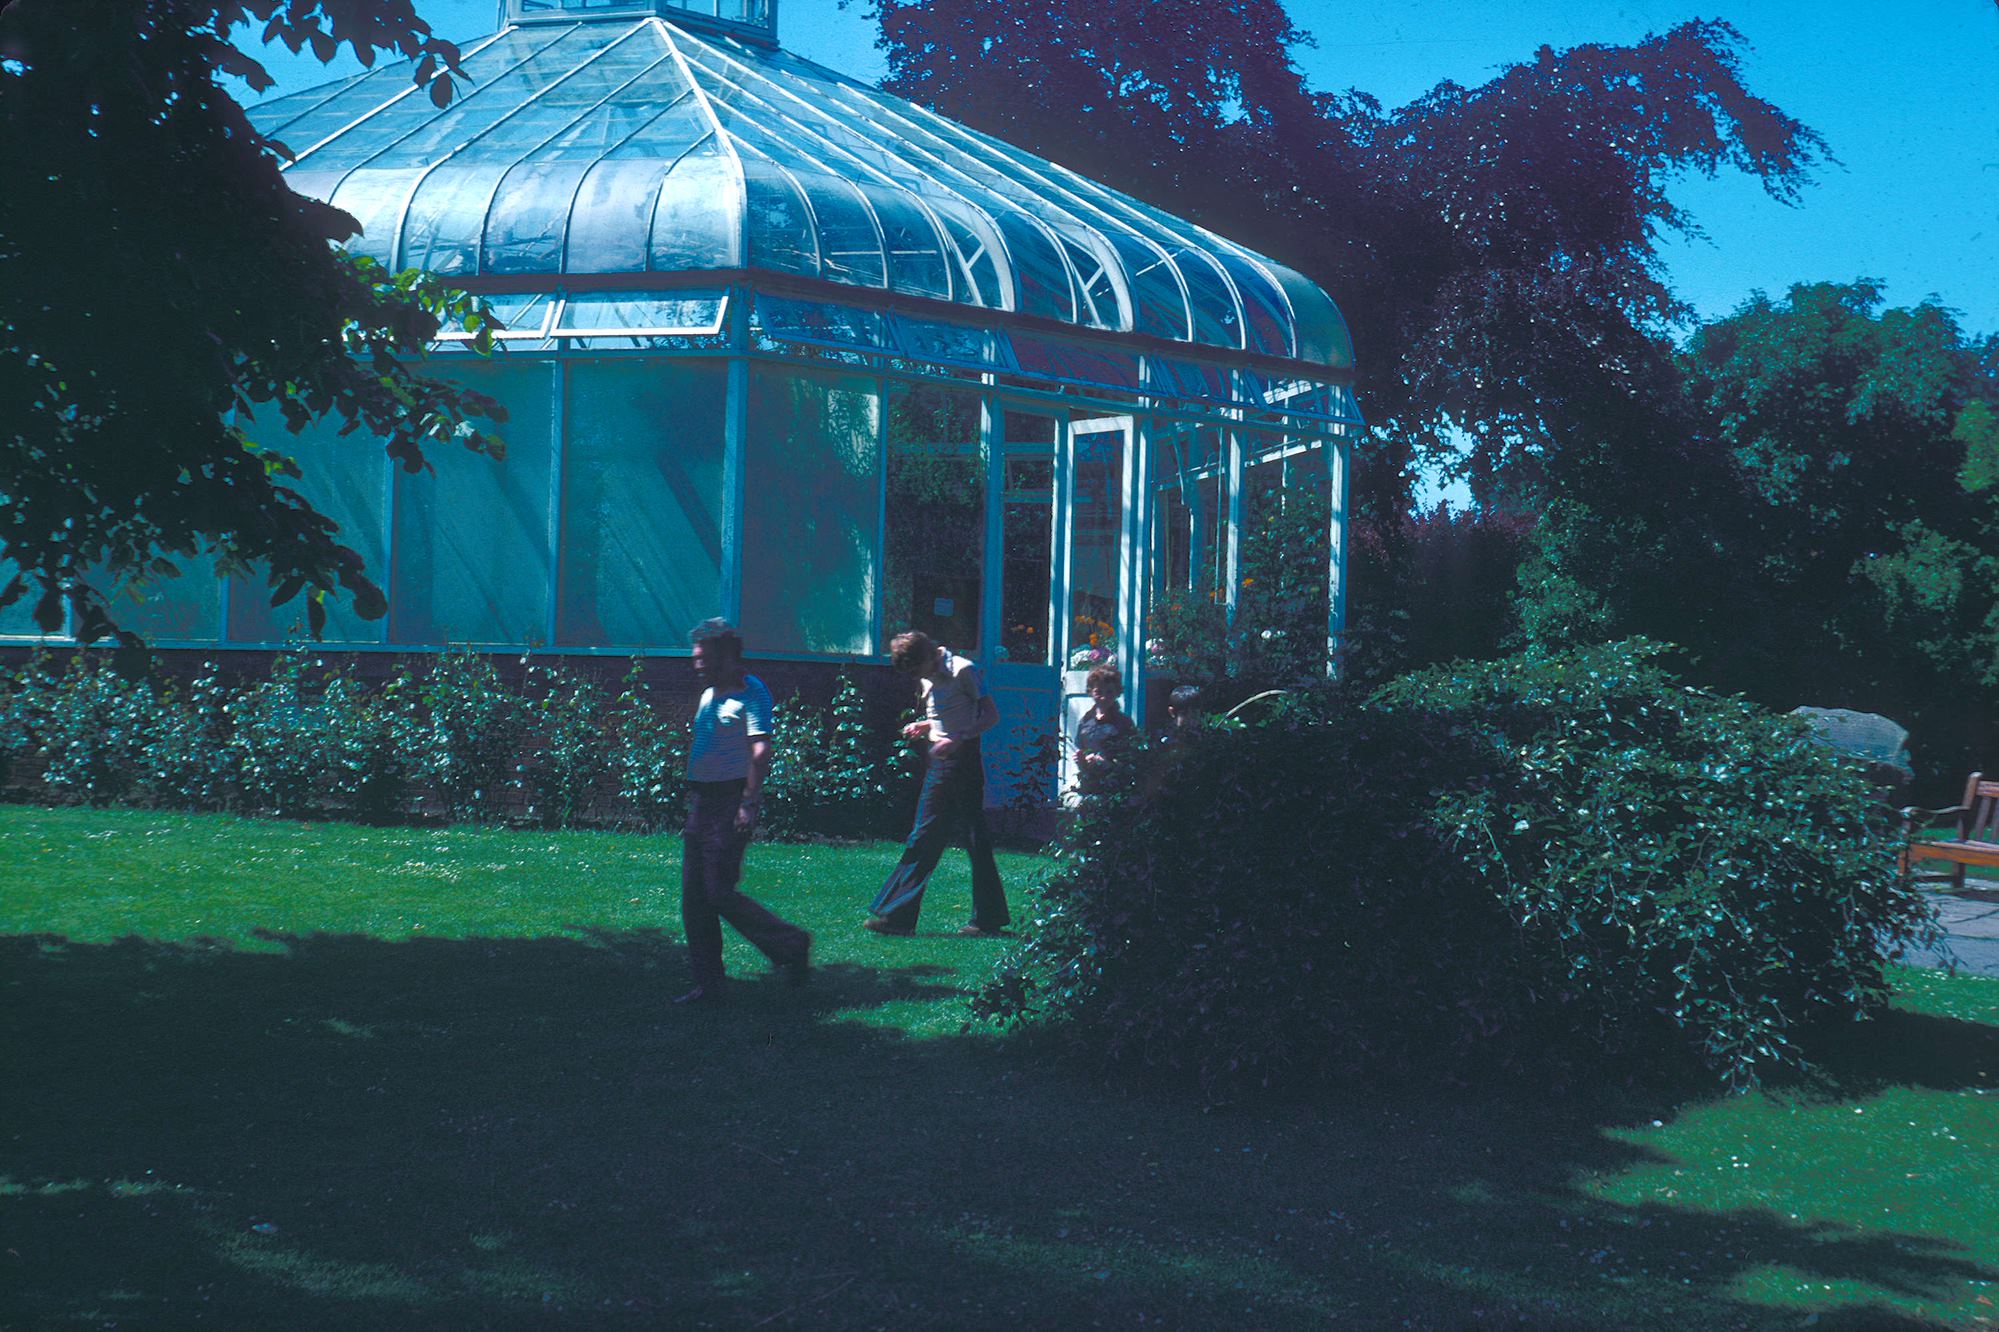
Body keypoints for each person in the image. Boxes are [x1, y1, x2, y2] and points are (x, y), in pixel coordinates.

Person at [674, 618, 811, 1004]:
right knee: (694, 899)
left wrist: (748, 804)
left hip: (730, 800)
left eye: (703, 658)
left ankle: (791, 944)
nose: (697, 665)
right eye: (695, 658)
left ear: (726, 656)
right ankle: (709, 984)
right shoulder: (709, 695)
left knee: (717, 892)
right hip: (702, 801)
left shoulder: (752, 691)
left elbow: (760, 750)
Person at [865, 631, 1011, 938]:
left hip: (962, 760)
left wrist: (958, 738)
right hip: (943, 758)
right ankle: (988, 918)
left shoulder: (964, 670)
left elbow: (991, 715)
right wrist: (926, 725)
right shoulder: (927, 674)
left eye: (915, 670)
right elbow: (949, 714)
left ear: (929, 656)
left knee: (930, 835)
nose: (916, 677)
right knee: (961, 837)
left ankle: (898, 917)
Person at [1073, 661, 1137, 796]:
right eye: (1098, 692)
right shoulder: (1085, 722)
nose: (1104, 697)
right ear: (1090, 692)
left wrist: (1108, 764)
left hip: (1115, 788)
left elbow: (1132, 759)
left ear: (1117, 692)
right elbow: (1081, 749)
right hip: (1089, 785)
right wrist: (1082, 761)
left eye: (1109, 692)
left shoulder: (1124, 723)